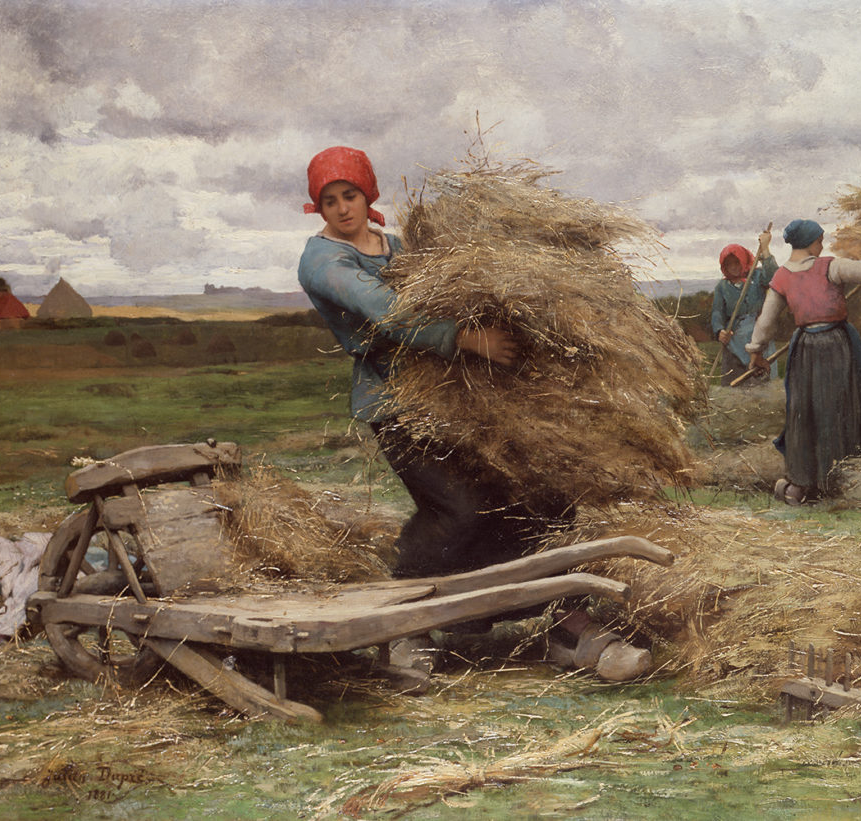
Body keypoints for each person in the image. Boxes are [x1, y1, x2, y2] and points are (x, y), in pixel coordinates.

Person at [296, 146, 650, 681]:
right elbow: (384, 313)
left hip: (466, 397)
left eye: (351, 195)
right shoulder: (323, 260)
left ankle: (566, 624)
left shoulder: (397, 245)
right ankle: (402, 628)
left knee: (535, 492)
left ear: (368, 194)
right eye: (330, 200)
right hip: (398, 403)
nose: (343, 208)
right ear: (317, 207)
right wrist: (464, 337)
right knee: (456, 508)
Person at [745, 218, 861, 505]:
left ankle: (802, 484)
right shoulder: (830, 266)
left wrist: (755, 351)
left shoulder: (782, 277)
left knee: (805, 412)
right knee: (833, 408)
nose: (822, 244)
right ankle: (828, 482)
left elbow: (766, 321)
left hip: (805, 349)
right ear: (812, 241)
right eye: (820, 239)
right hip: (834, 346)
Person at [711, 228, 778, 385]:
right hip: (735, 337)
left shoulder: (756, 276)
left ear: (744, 260)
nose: (734, 267)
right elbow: (717, 312)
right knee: (737, 383)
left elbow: (774, 276)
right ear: (724, 267)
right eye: (729, 264)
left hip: (759, 333)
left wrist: (766, 249)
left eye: (737, 262)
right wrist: (719, 331)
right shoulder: (722, 286)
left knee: (763, 379)